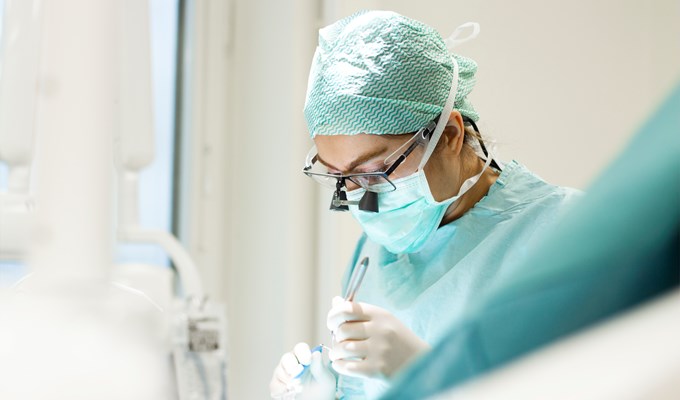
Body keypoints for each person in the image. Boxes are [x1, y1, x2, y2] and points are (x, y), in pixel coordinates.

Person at [270, 10, 580, 399]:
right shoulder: (377, 252)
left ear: (449, 135)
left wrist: (422, 372)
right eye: (340, 178)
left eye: (374, 172)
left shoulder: (566, 232)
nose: (361, 200)